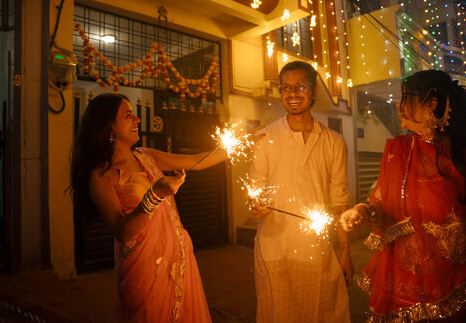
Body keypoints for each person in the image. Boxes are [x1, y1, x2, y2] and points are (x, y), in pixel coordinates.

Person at [340, 70, 466, 323]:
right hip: (399, 295)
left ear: (431, 104)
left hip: (462, 297)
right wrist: (362, 212)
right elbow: (380, 204)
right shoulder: (398, 150)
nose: (399, 105)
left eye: (406, 98)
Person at [70, 93, 227, 323]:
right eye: (128, 115)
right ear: (108, 126)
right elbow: (122, 231)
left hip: (179, 259)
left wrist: (241, 144)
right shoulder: (102, 175)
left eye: (134, 114)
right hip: (145, 269)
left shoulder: (146, 156)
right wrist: (155, 195)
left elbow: (196, 161)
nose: (137, 120)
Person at [250, 61, 353, 323]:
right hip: (275, 250)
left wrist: (345, 253)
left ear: (314, 91)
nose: (292, 93)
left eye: (300, 87)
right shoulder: (264, 137)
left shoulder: (334, 142)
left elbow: (340, 202)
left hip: (317, 252)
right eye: (286, 88)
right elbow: (255, 189)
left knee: (325, 312)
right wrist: (256, 205)